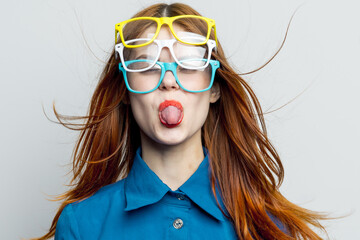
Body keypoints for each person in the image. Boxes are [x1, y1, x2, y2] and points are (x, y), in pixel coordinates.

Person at [34, 3, 328, 240]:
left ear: (214, 88)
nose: (169, 81)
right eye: (148, 66)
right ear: (125, 89)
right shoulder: (82, 223)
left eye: (188, 64)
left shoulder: (270, 225)